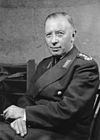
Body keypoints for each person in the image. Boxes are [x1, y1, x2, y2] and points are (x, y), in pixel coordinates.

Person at [0, 11, 99, 140]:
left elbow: (67, 111)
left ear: (73, 35)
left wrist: (25, 114)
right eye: (48, 35)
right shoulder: (44, 64)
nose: (53, 41)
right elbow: (28, 97)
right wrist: (22, 118)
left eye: (59, 34)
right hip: (38, 124)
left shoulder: (85, 66)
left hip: (64, 133)